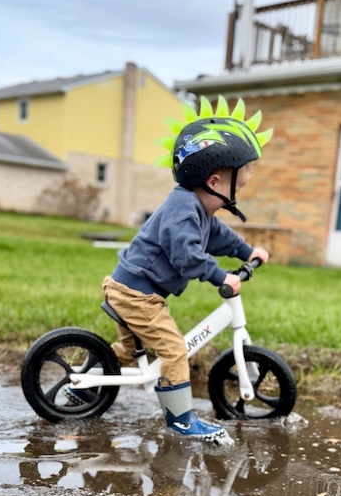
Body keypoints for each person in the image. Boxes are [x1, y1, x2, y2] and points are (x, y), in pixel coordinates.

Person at [100, 96, 273, 442]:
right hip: (137, 296)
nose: (246, 179)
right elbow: (188, 256)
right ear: (214, 182)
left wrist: (246, 250)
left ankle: (84, 389)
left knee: (127, 354)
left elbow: (218, 236)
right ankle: (181, 420)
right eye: (240, 178)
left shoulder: (197, 209)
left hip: (134, 290)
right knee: (174, 351)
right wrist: (220, 276)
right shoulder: (182, 211)